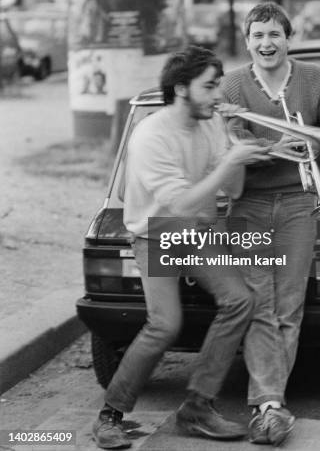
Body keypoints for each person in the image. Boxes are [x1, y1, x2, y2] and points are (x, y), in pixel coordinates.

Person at [92, 45, 271, 449]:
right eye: (209, 87)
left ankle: (197, 408)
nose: (218, 96)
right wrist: (230, 160)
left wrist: (238, 148)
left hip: (196, 229)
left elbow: (233, 189)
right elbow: (181, 203)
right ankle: (111, 414)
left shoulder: (209, 124)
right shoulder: (151, 136)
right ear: (181, 89)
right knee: (165, 324)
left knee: (240, 300)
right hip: (157, 229)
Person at [220, 2, 320, 445]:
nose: (265, 43)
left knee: (289, 306)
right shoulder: (233, 84)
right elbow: (233, 138)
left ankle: (268, 403)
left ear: (288, 37)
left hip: (299, 203)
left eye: (274, 34)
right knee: (261, 303)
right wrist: (276, 146)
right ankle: (270, 404)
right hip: (250, 206)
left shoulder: (314, 79)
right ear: (246, 39)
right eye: (257, 35)